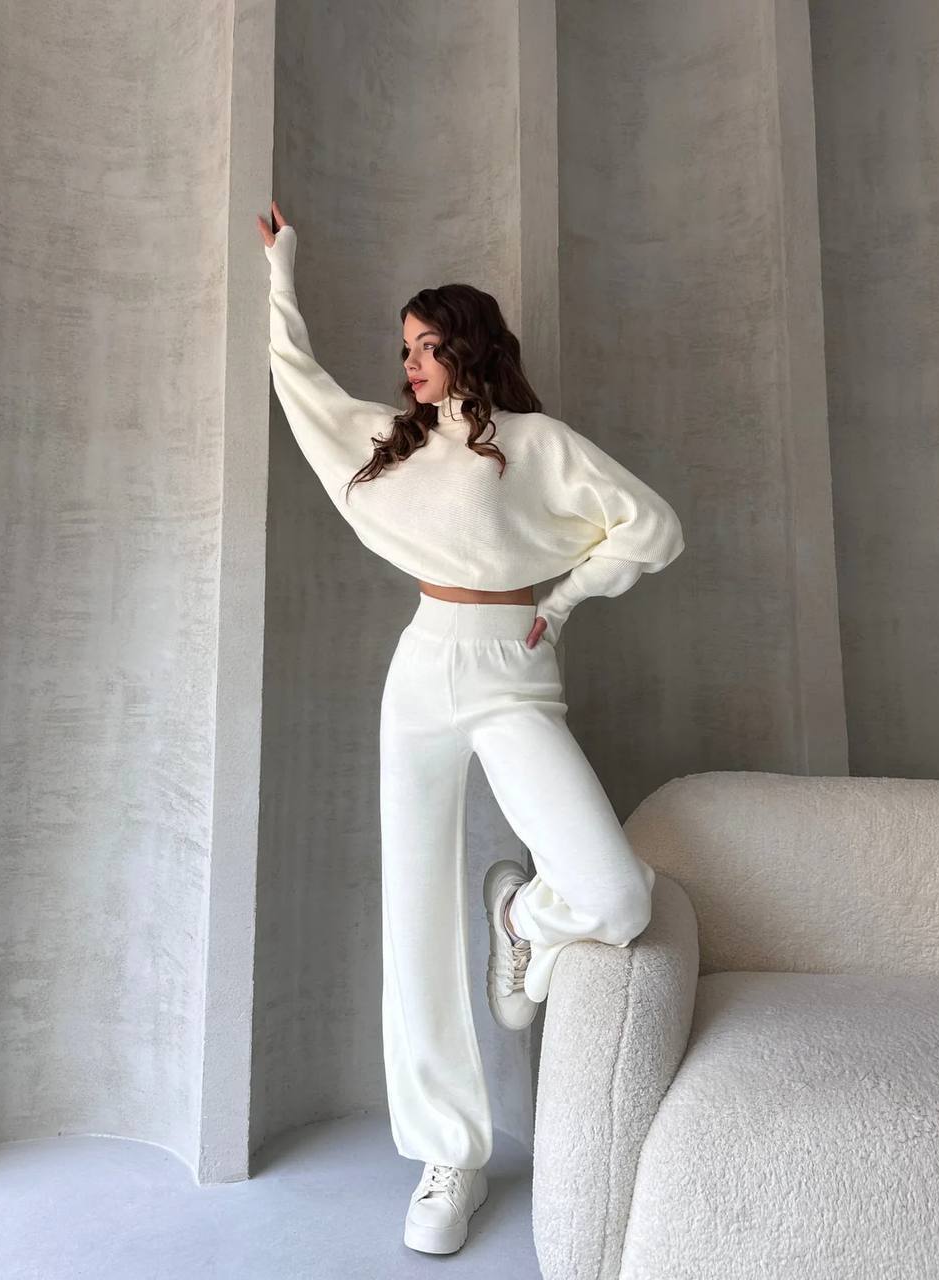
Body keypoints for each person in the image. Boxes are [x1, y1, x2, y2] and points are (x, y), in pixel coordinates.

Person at [255, 200, 685, 1257]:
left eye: (425, 344)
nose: (409, 364)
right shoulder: (394, 443)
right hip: (422, 667)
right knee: (412, 909)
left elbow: (656, 527)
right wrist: (282, 270)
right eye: (401, 349)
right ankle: (449, 1153)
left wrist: (570, 597)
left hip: (512, 670)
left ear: (469, 342)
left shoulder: (537, 446)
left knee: (615, 894)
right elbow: (300, 385)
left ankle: (527, 922)